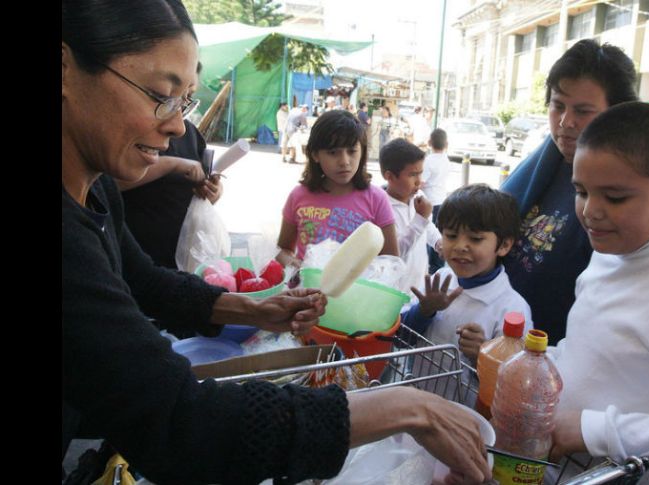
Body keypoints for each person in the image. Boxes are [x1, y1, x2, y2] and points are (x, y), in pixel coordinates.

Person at [62, 1, 492, 484]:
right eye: (161, 94)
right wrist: (402, 408)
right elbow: (183, 421)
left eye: (185, 101)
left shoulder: (95, 190)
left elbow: (145, 282)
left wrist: (257, 308)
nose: (178, 125)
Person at [545, 102, 649, 483]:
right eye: (581, 191)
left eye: (615, 197)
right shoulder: (611, 249)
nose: (589, 211)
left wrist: (594, 430)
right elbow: (594, 351)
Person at [499, 39, 637, 344]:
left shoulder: (630, 186)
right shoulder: (545, 160)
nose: (565, 122)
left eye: (583, 111)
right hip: (499, 337)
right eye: (557, 105)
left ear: (617, 114)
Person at [401, 184, 533, 405]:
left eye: (475, 238)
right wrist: (424, 310)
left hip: (465, 419)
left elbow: (515, 385)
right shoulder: (439, 280)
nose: (461, 246)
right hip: (415, 405)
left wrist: (482, 355)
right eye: (451, 236)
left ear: (504, 245)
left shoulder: (511, 309)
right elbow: (403, 340)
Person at [118, 61, 223, 271]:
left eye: (187, 99)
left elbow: (205, 179)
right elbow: (110, 181)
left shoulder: (190, 134)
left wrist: (213, 190)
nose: (177, 126)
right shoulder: (132, 134)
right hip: (140, 249)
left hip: (181, 253)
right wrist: (171, 165)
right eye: (164, 97)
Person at [276, 109, 400, 270]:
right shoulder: (298, 196)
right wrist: (293, 264)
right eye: (333, 152)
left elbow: (391, 261)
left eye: (352, 151)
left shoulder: (377, 199)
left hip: (357, 294)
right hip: (306, 292)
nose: (344, 161)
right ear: (315, 155)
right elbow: (282, 250)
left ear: (362, 152)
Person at [379, 138, 442, 293]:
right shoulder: (381, 208)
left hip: (419, 285)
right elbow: (394, 253)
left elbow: (427, 226)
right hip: (396, 292)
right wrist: (420, 219)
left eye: (420, 174)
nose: (419, 181)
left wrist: (438, 242)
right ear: (390, 176)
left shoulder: (417, 197)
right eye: (412, 175)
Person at [422, 128, 450, 273]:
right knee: (437, 233)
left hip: (428, 202)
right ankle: (437, 267)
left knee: (427, 232)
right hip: (441, 200)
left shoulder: (428, 161)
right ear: (446, 144)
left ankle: (430, 266)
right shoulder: (446, 160)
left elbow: (421, 182)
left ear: (429, 142)